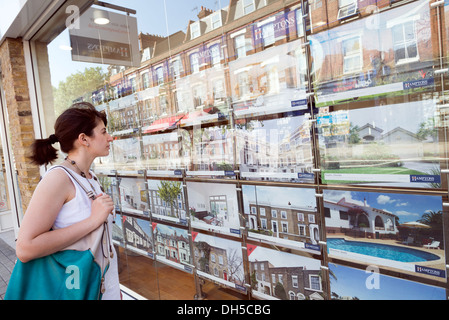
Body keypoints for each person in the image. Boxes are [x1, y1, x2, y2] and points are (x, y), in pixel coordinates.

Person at [15, 102, 120, 300]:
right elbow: (25, 248)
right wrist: (92, 221)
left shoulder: (90, 178)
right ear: (84, 139)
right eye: (104, 132)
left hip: (103, 288)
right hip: (77, 290)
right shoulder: (59, 179)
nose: (110, 137)